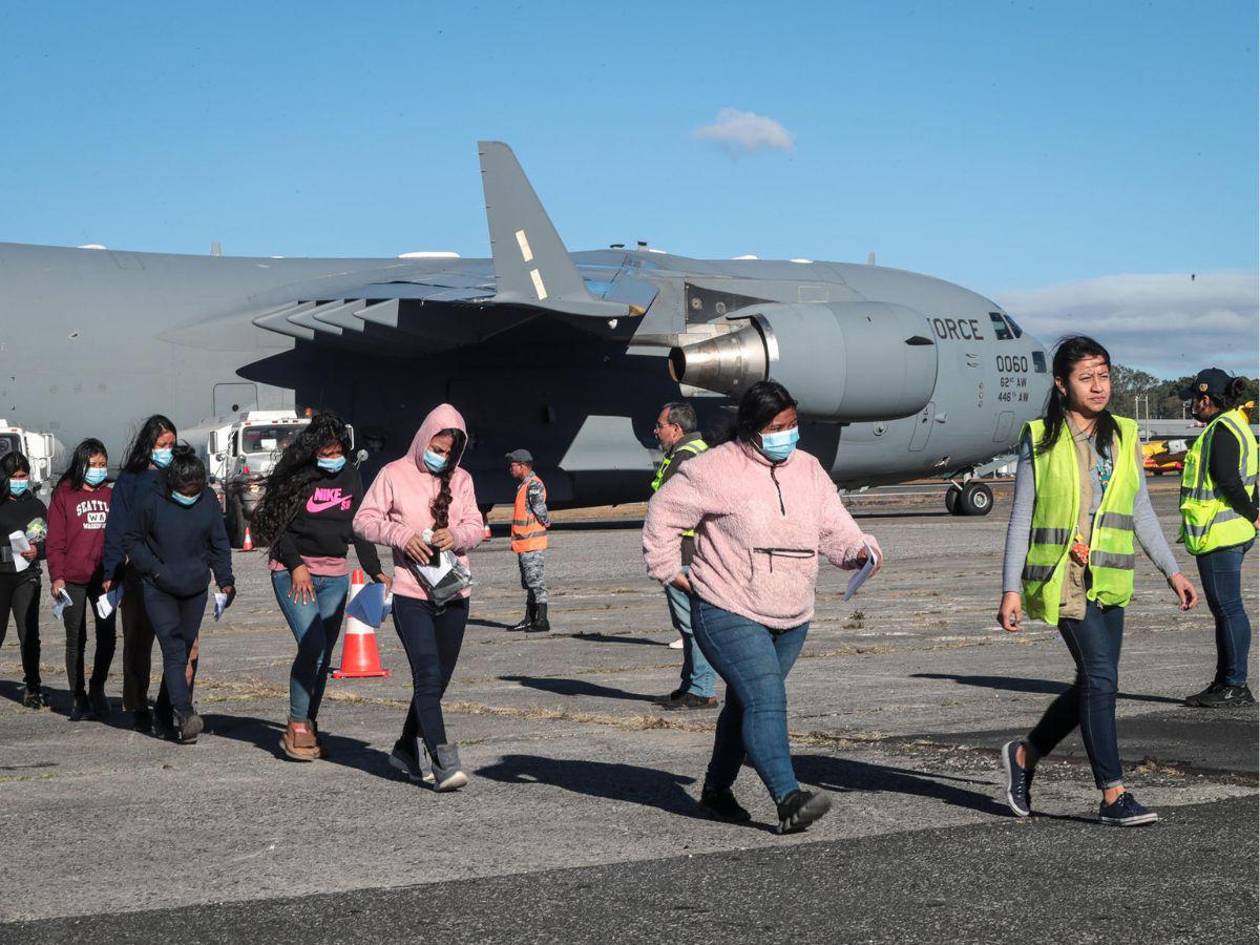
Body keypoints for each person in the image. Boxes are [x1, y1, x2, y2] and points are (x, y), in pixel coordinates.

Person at [643, 381, 882, 834]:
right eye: (777, 427)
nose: (787, 435)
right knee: (767, 699)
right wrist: (670, 569)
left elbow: (834, 526)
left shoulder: (809, 469)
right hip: (726, 606)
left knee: (747, 703)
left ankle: (715, 792)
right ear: (752, 428)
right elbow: (663, 513)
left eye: (793, 425)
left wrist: (859, 551)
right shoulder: (714, 469)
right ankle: (789, 798)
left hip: (792, 614)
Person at [997, 336, 1199, 827]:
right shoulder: (1041, 437)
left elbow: (1140, 511)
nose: (1098, 386)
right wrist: (1009, 588)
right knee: (1103, 680)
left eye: (1104, 375)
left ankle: (1025, 754)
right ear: (1062, 385)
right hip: (1061, 578)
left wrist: (1172, 571)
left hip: (1109, 577)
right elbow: (1022, 514)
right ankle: (1113, 794)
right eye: (1085, 377)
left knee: (1092, 681)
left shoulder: (1125, 435)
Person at [354, 404, 484, 791]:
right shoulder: (392, 474)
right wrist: (400, 536)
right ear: (423, 438)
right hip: (411, 594)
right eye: (437, 447)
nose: (441, 457)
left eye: (448, 452)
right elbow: (363, 520)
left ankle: (405, 750)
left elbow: (476, 525)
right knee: (426, 675)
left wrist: (456, 537)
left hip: (454, 592)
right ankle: (443, 761)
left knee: (437, 683)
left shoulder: (462, 480)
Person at [250, 412, 391, 760]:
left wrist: (375, 571)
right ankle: (297, 723)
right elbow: (275, 525)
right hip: (294, 571)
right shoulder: (297, 476)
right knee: (312, 644)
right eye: (325, 453)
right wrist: (296, 566)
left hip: (335, 575)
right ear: (313, 450)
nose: (332, 459)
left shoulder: (351, 475)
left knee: (322, 654)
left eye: (337, 451)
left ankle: (307, 722)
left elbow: (360, 525)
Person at [123, 445, 234, 745]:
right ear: (171, 483)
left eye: (195, 488)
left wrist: (226, 580)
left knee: (184, 651)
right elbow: (132, 542)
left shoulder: (208, 499)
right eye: (184, 488)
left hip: (195, 588)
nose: (190, 494)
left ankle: (162, 710)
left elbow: (219, 543)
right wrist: (154, 570)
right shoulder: (150, 501)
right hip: (159, 588)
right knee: (172, 649)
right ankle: (185, 714)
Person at [1177, 369, 1258, 708]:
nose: (1191, 405)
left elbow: (1227, 478)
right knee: (1225, 610)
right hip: (1229, 532)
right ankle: (1224, 681)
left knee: (1228, 609)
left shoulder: (1221, 431)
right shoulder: (1236, 425)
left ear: (1206, 399)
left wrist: (1252, 512)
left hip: (1219, 533)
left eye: (1193, 399)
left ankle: (1235, 684)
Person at [101, 414, 180, 733]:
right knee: (137, 641)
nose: (167, 451)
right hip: (136, 572)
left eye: (172, 445)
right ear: (148, 445)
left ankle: (166, 705)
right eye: (162, 445)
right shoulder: (130, 480)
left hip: (174, 570)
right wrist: (111, 569)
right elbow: (116, 527)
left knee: (178, 644)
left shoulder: (179, 475)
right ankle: (137, 705)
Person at [649, 402, 716, 710]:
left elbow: (675, 508)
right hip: (686, 552)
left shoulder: (686, 457)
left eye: (660, 425)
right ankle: (690, 684)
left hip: (685, 554)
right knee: (687, 623)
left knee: (692, 624)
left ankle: (701, 688)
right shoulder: (691, 453)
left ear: (676, 429)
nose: (656, 430)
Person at [47, 439, 118, 721]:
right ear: (81, 464)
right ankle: (78, 695)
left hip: (103, 580)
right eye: (93, 465)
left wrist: (116, 573)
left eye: (103, 465)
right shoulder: (64, 495)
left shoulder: (110, 496)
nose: (99, 470)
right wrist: (57, 577)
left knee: (108, 636)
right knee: (76, 637)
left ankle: (97, 686)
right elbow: (54, 542)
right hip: (72, 580)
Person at [0, 453, 49, 708]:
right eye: (14, 477)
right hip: (1, 575)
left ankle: (33, 687)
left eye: (23, 476)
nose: (19, 481)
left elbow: (50, 542)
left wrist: (37, 552)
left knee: (28, 632)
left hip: (26, 576)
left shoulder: (37, 507)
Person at [505, 449, 551, 634]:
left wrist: (547, 522)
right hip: (524, 544)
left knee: (536, 582)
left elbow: (540, 509)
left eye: (513, 465)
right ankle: (530, 618)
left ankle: (542, 620)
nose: (510, 469)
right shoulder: (525, 484)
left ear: (522, 466)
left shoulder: (533, 484)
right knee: (530, 582)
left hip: (531, 543)